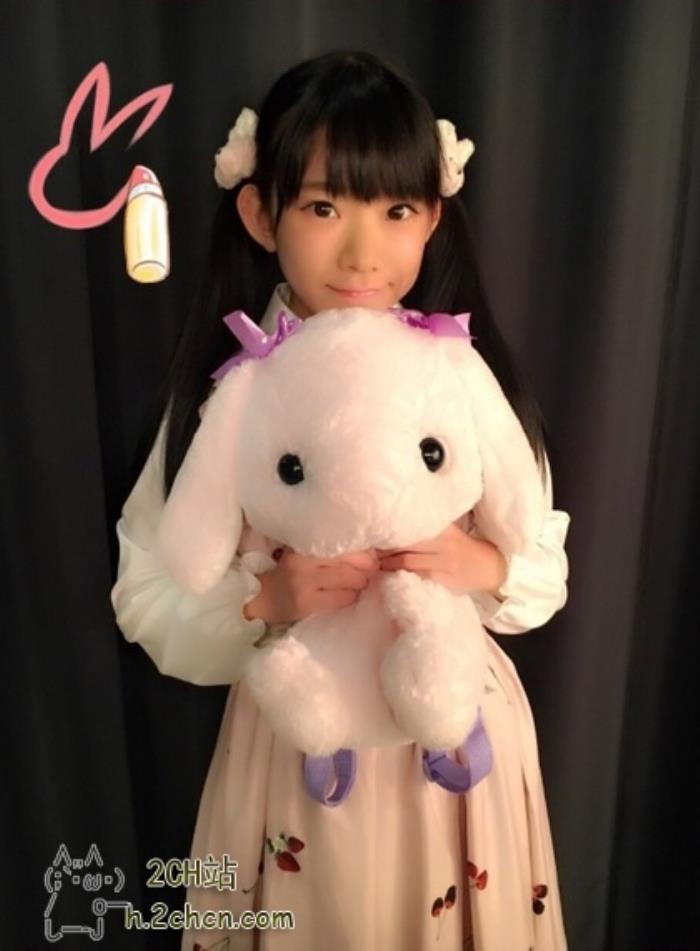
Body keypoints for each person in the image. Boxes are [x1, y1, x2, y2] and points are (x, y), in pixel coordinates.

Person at [111, 50, 571, 951]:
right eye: (324, 208)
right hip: (299, 754)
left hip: (458, 757)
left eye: (396, 210)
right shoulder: (229, 394)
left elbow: (543, 563)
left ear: (432, 216)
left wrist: (483, 564)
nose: (364, 252)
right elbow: (147, 592)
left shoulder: (454, 372)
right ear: (261, 213)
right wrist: (263, 603)